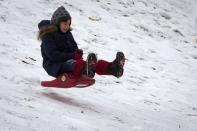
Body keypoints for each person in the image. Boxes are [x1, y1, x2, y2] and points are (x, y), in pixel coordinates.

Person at [38, 6, 125, 79]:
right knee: (78, 64)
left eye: (69, 24)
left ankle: (113, 68)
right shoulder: (47, 35)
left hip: (69, 61)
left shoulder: (67, 34)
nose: (67, 26)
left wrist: (77, 52)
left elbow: (74, 47)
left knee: (93, 63)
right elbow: (53, 55)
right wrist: (72, 55)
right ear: (57, 22)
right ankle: (87, 71)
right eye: (65, 24)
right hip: (54, 66)